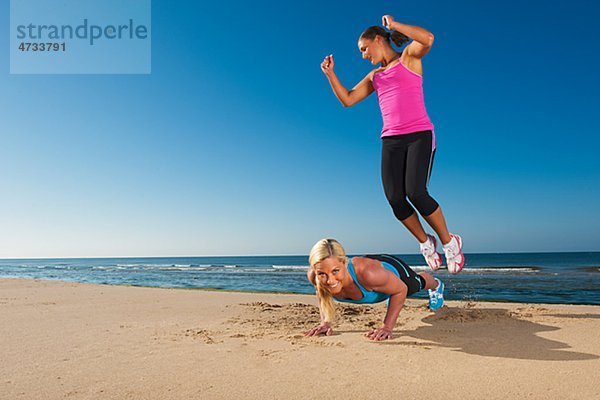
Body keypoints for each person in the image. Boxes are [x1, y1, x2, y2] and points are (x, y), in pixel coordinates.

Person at [320, 15, 465, 273]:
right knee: (395, 198)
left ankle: (448, 241)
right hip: (391, 139)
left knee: (416, 192)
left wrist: (395, 26)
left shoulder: (409, 58)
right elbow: (348, 99)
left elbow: (428, 38)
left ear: (378, 39)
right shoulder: (374, 76)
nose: (363, 55)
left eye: (364, 49)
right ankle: (425, 242)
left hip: (419, 134)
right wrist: (331, 74)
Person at [304, 238, 444, 341]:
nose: (330, 280)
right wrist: (325, 323)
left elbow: (401, 289)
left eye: (335, 271)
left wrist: (387, 327)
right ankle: (390, 290)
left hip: (390, 269)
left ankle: (437, 285)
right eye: (322, 274)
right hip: (375, 272)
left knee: (415, 285)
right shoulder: (314, 276)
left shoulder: (369, 275)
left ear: (345, 263)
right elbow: (321, 294)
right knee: (391, 289)